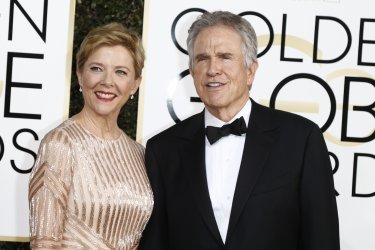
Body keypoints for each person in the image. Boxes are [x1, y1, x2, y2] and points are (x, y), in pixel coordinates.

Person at [139, 11, 340, 250]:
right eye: (202, 58)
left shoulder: (300, 139)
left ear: (250, 71)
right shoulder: (163, 149)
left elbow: (322, 239)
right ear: (192, 71)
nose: (213, 69)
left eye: (225, 57)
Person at [28, 22, 153, 249]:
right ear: (80, 74)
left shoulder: (139, 154)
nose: (107, 81)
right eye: (96, 68)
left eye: (120, 72)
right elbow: (44, 243)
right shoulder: (60, 144)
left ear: (135, 84)